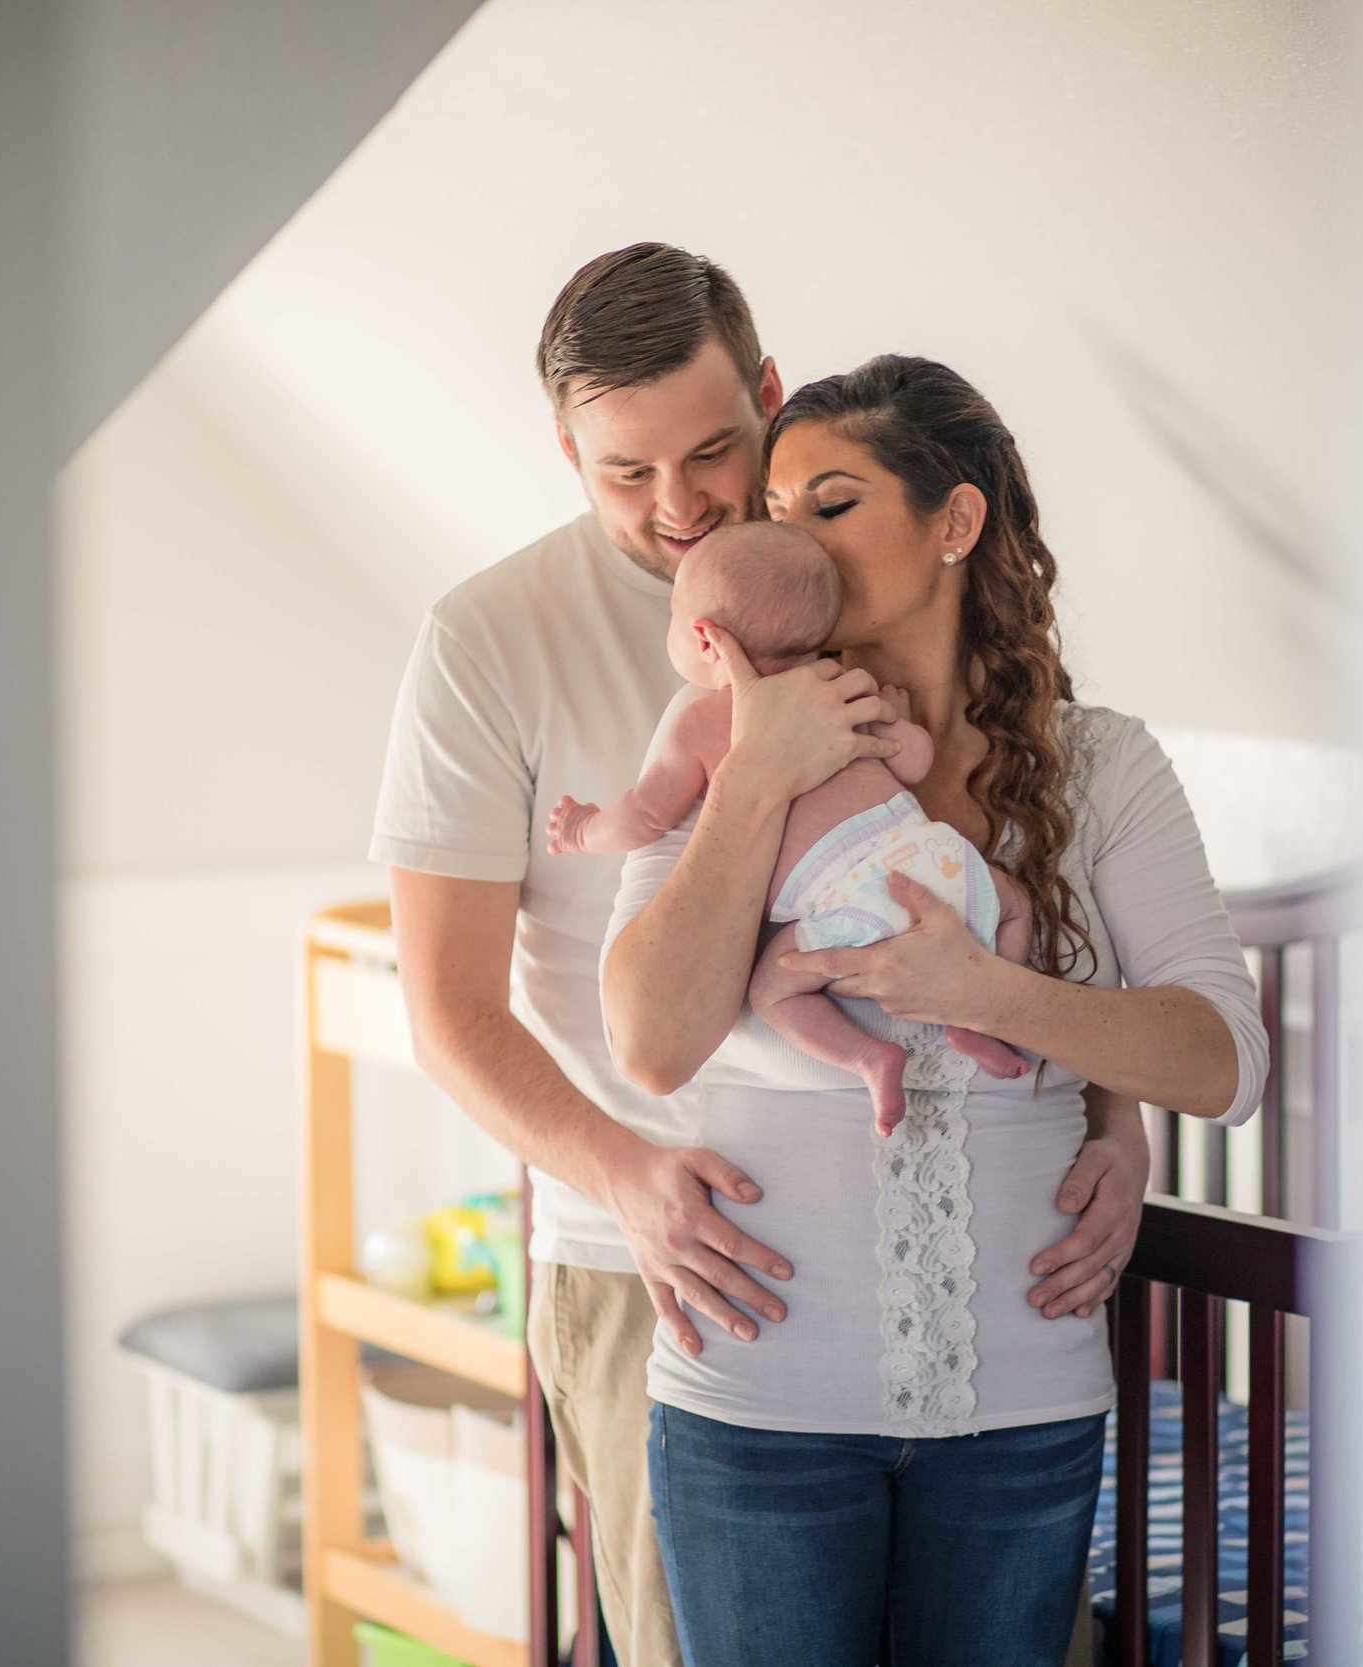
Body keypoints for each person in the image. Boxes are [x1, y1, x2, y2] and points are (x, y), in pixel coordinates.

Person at [371, 248, 1153, 1667]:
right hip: (649, 1252)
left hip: (939, 1278)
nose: (680, 510)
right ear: (566, 451)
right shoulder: (489, 640)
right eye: (624, 474)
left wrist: (1116, 1114)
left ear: (769, 395)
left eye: (714, 452)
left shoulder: (839, 591)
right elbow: (445, 1010)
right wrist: (621, 1170)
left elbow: (1018, 868)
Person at [602, 354, 1270, 1667]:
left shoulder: (1103, 766)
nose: (791, 538)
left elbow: (1224, 1060)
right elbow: (649, 1035)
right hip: (757, 1403)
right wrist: (757, 779)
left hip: (1024, 1416)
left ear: (955, 522)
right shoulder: (719, 735)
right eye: (778, 511)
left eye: (832, 502)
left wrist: (994, 994)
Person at [544, 520, 1033, 1133]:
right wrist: (897, 721)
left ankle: (868, 1055)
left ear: (704, 639)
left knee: (774, 991)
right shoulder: (847, 692)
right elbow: (914, 762)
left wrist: (583, 829)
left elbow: (645, 817)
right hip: (934, 867)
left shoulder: (702, 723)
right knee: (1011, 903)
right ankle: (979, 1018)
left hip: (842, 907)